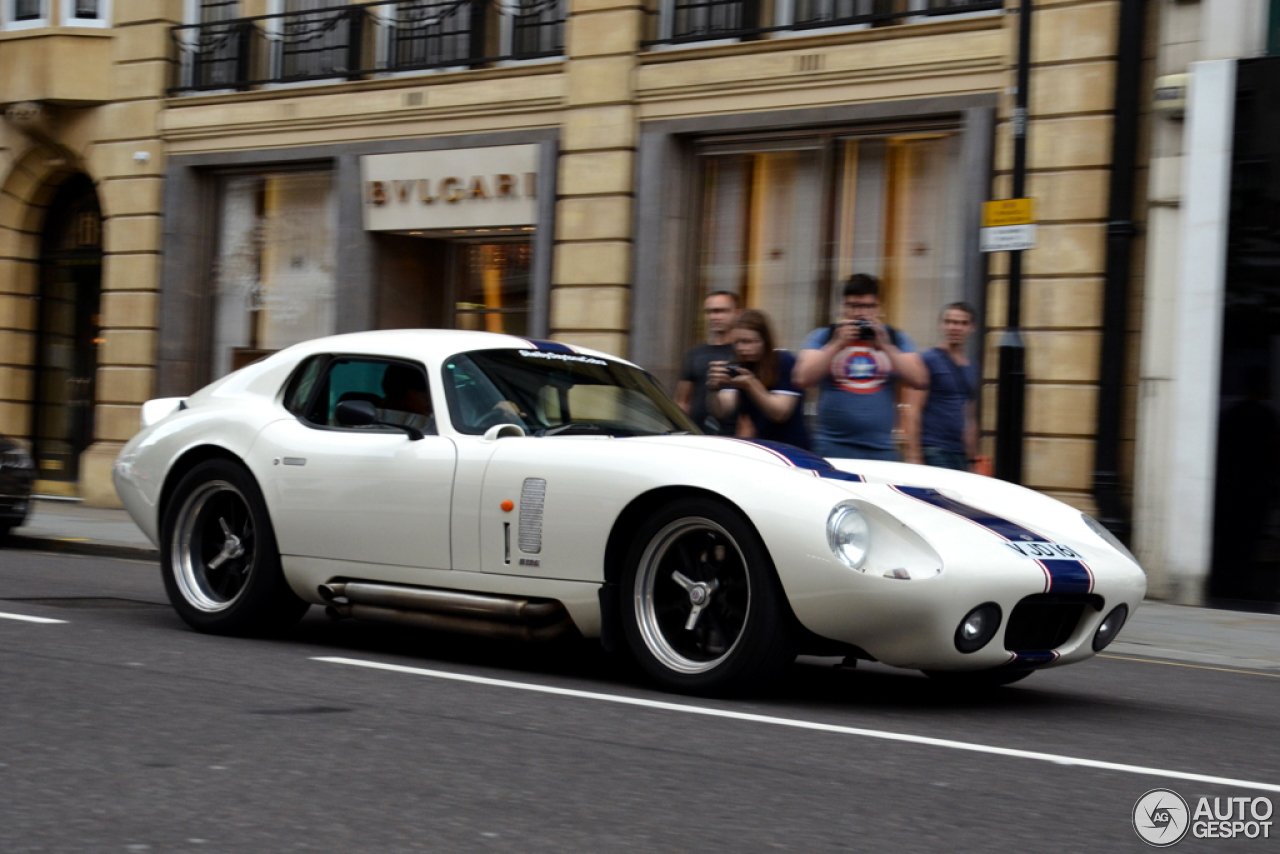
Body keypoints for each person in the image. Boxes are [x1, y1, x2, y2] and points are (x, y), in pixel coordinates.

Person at [793, 274, 927, 460]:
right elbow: (801, 378)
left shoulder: (895, 338)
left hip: (880, 449)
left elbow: (919, 379)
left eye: (867, 306)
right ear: (842, 307)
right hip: (832, 446)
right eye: (853, 306)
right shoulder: (825, 336)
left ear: (879, 307)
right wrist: (836, 344)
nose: (860, 313)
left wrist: (887, 347)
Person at [707, 309, 810, 449]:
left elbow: (780, 413)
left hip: (791, 447)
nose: (742, 348)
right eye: (737, 342)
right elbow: (723, 410)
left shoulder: (784, 362)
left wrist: (751, 384)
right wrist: (714, 389)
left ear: (765, 341)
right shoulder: (738, 365)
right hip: (761, 447)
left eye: (748, 342)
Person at [904, 302, 979, 470]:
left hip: (960, 452)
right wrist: (914, 455)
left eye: (962, 323)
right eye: (950, 322)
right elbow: (912, 410)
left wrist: (973, 458)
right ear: (941, 325)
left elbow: (970, 415)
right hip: (934, 449)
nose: (955, 327)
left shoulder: (972, 367)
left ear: (971, 327)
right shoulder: (928, 360)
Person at [675, 290, 739, 434]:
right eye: (709, 312)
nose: (714, 317)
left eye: (721, 311)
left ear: (736, 313)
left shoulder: (743, 352)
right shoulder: (695, 354)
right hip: (698, 434)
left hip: (734, 436)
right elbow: (683, 400)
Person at [378, 363, 435, 434]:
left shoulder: (436, 421)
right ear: (399, 394)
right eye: (422, 395)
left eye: (430, 396)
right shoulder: (376, 420)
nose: (429, 401)